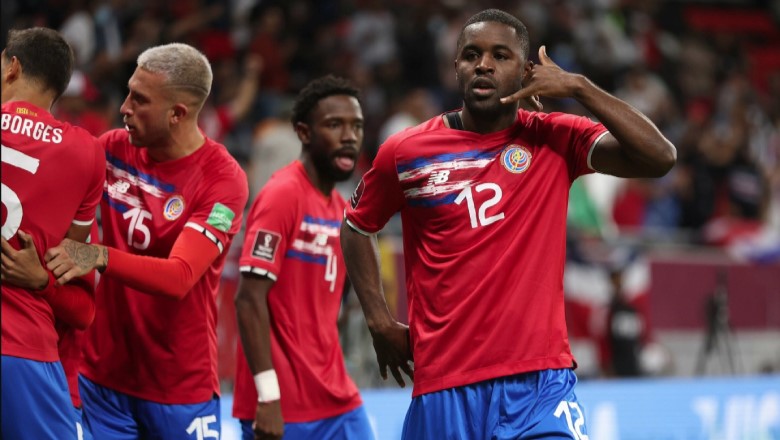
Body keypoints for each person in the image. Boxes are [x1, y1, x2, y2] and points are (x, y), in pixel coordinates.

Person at [341, 8, 676, 440]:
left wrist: (578, 86)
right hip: (446, 385)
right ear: (455, 66)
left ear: (526, 71)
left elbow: (659, 156)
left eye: (501, 55)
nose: (484, 64)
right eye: (471, 55)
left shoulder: (556, 138)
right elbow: (355, 226)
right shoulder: (407, 151)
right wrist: (379, 321)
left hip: (540, 385)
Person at [43, 42, 249, 439]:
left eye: (139, 100)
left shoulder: (222, 180)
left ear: (177, 114)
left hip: (179, 388)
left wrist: (98, 255)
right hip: (103, 382)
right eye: (128, 93)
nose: (124, 108)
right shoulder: (112, 149)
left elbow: (179, 276)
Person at [232, 75, 374, 440]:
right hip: (282, 403)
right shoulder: (283, 195)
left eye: (356, 126)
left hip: (335, 395)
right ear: (304, 133)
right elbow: (249, 300)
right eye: (334, 125)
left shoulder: (341, 210)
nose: (349, 136)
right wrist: (268, 396)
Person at [1, 27, 105, 440]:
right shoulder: (86, 152)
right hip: (23, 346)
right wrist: (42, 279)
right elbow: (77, 283)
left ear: (13, 67)